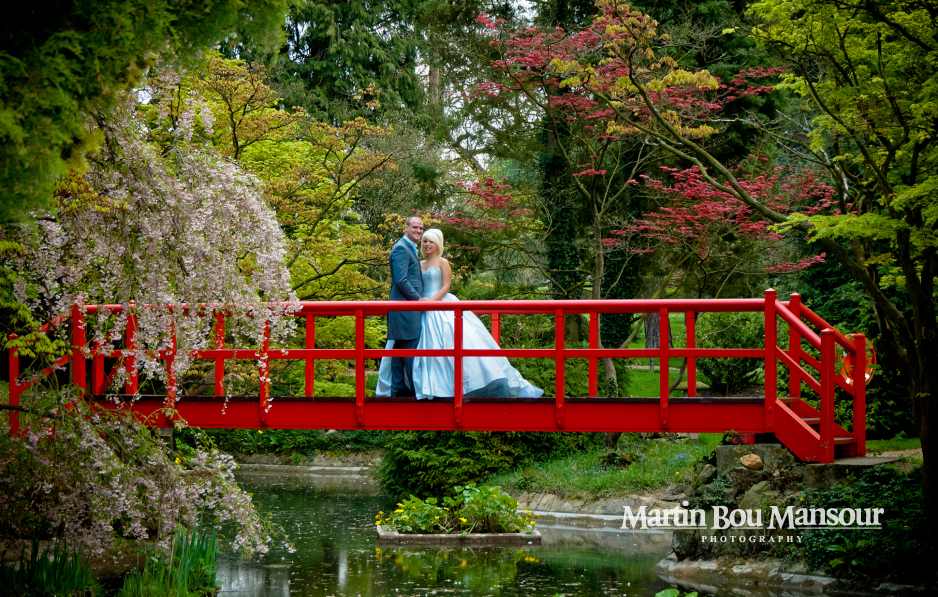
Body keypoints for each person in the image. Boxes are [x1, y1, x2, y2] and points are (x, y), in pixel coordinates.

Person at [378, 228, 542, 400]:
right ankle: (428, 387)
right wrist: (420, 301)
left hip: (438, 304)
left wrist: (431, 303)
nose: (427, 244)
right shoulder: (418, 264)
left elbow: (445, 287)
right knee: (420, 348)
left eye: (431, 241)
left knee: (453, 341)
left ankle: (458, 386)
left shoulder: (443, 263)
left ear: (438, 244)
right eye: (425, 241)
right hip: (421, 306)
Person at [382, 216, 426, 396]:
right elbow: (401, 280)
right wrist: (418, 300)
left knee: (401, 348)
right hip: (405, 309)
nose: (418, 231)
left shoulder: (409, 248)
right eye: (415, 227)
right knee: (407, 350)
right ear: (406, 227)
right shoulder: (401, 248)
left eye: (421, 228)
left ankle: (400, 389)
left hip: (405, 309)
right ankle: (409, 392)